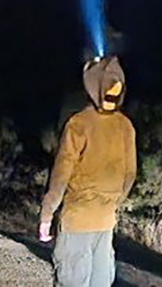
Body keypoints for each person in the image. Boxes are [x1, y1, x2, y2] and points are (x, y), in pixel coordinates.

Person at [39, 55, 136, 287]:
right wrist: (111, 203)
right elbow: (129, 175)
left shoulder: (79, 124)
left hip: (78, 221)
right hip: (105, 221)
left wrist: (46, 216)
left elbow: (61, 174)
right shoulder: (125, 126)